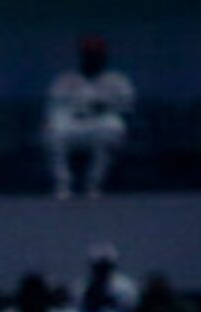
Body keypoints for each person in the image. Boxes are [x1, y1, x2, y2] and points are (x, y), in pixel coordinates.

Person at [43, 37, 133, 200]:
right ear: (82, 56)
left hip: (100, 122)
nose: (93, 58)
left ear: (104, 57)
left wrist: (105, 106)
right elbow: (53, 106)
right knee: (53, 131)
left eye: (97, 54)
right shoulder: (66, 79)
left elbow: (127, 107)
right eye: (89, 54)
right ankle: (63, 184)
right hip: (72, 123)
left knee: (112, 128)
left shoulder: (117, 80)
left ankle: (93, 184)